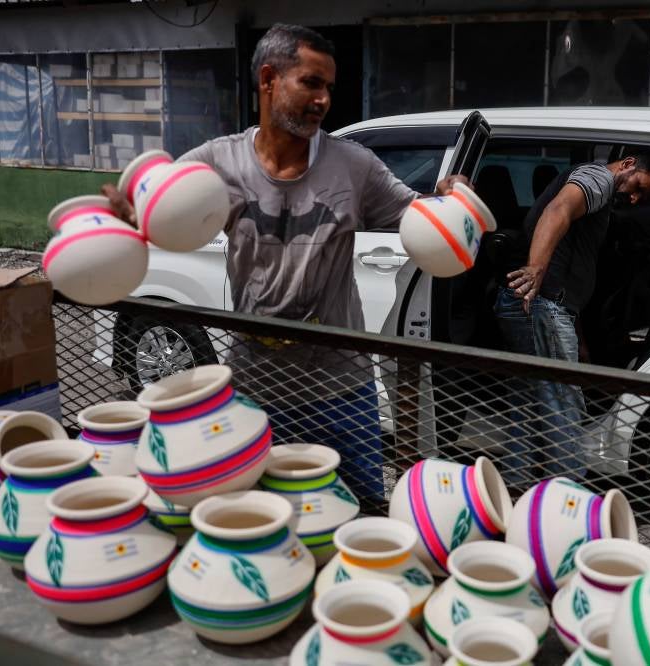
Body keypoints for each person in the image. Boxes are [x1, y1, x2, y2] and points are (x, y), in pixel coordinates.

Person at [102, 24, 466, 501]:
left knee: (359, 513)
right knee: (259, 513)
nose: (323, 100)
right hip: (257, 388)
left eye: (329, 88)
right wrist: (128, 216)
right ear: (269, 79)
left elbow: (419, 218)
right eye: (311, 83)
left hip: (343, 388)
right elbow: (158, 207)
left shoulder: (354, 167)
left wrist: (446, 201)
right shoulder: (216, 164)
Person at [494, 153, 650, 483]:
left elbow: (573, 275)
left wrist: (578, 333)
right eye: (638, 187)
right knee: (563, 406)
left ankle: (518, 488)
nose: (633, 198)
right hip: (541, 306)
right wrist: (535, 270)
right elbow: (558, 211)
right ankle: (567, 500)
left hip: (547, 307)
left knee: (527, 403)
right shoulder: (598, 179)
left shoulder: (601, 194)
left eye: (641, 196)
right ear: (628, 163)